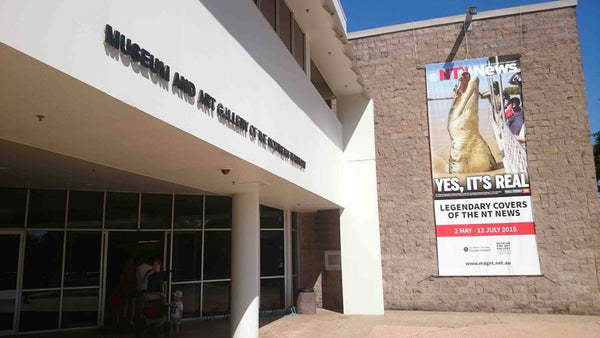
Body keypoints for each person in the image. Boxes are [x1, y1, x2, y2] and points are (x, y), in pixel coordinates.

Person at [120, 258, 137, 325]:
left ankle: (124, 319)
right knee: (133, 305)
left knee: (126, 304)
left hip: (126, 288)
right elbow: (137, 279)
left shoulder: (125, 270)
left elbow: (121, 279)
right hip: (132, 288)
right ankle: (131, 320)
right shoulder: (134, 270)